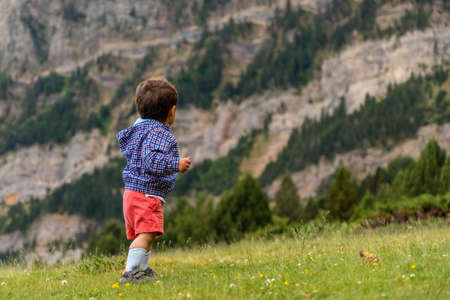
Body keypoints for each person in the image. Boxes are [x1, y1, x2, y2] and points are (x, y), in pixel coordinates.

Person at [116, 77, 191, 283]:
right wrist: (175, 164)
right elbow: (151, 160)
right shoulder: (158, 132)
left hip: (132, 192)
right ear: (172, 111)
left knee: (148, 233)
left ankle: (142, 268)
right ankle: (131, 273)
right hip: (145, 194)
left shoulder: (140, 129)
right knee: (146, 234)